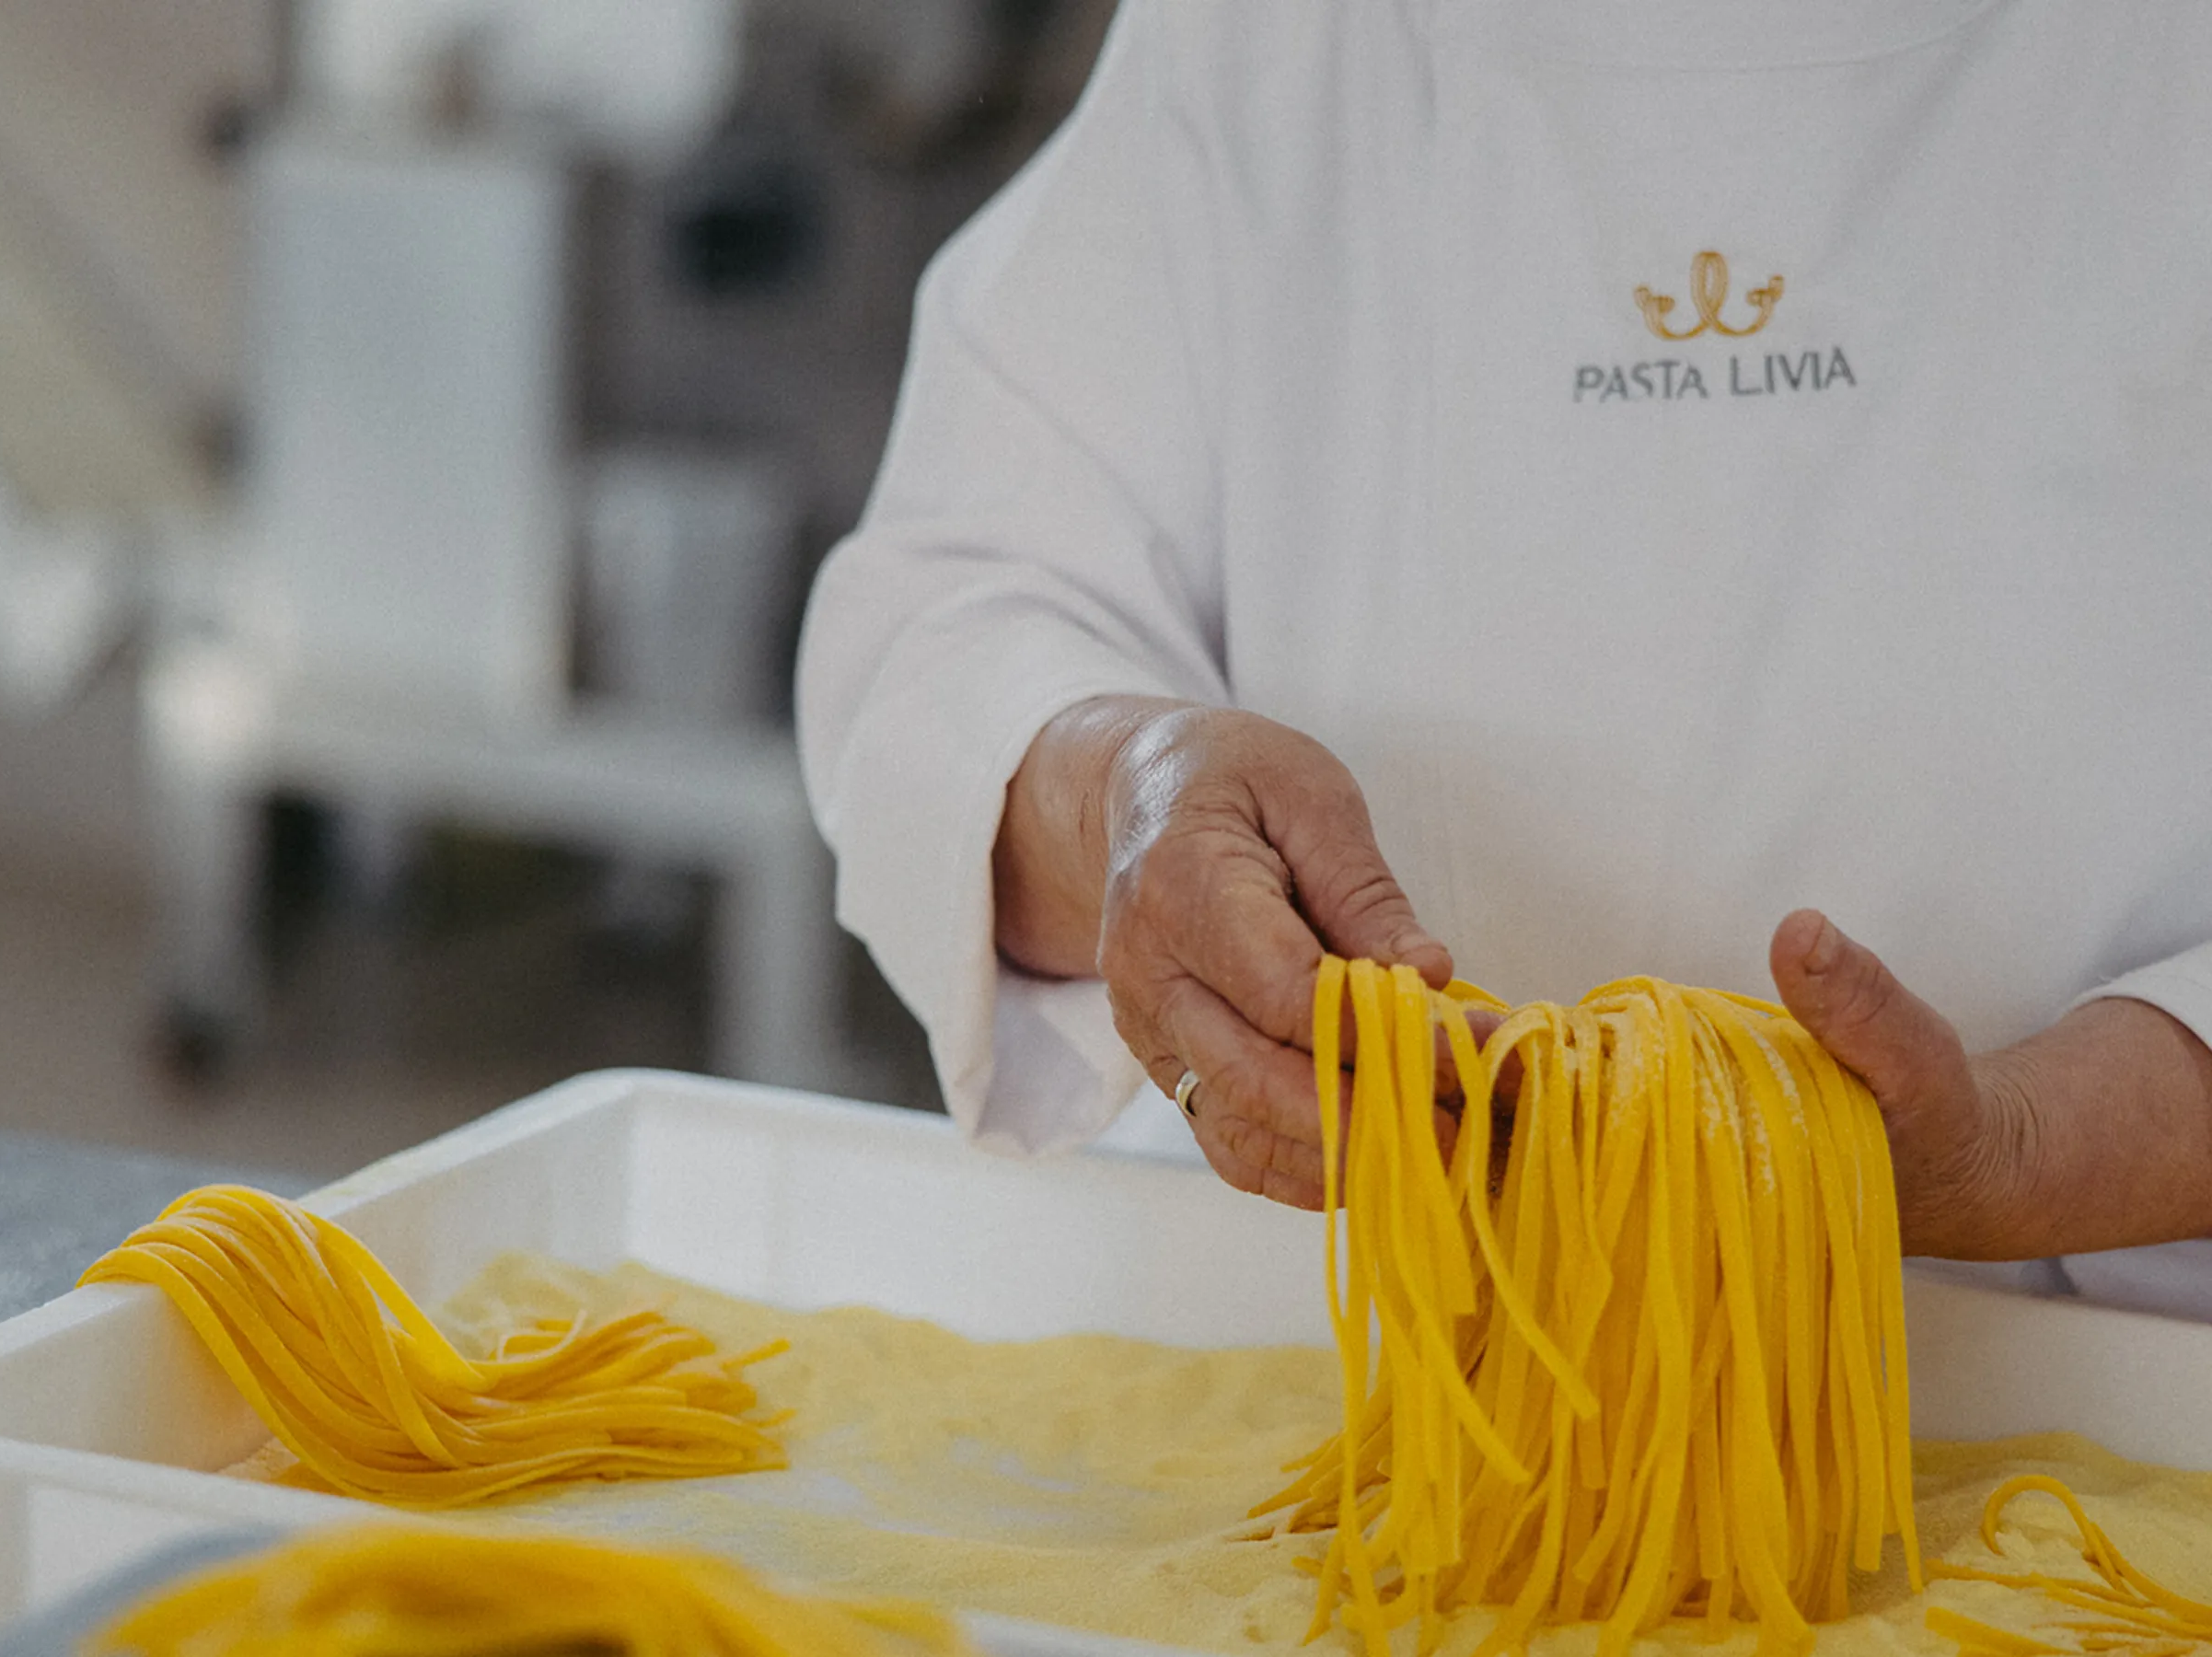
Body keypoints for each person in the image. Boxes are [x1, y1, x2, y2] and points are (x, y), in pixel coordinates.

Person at [795, 0, 2212, 1315]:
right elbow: (956, 615)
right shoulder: (1272, 40)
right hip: (1354, 1341)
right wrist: (1126, 802)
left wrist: (2023, 1145)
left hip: (2115, 1399)